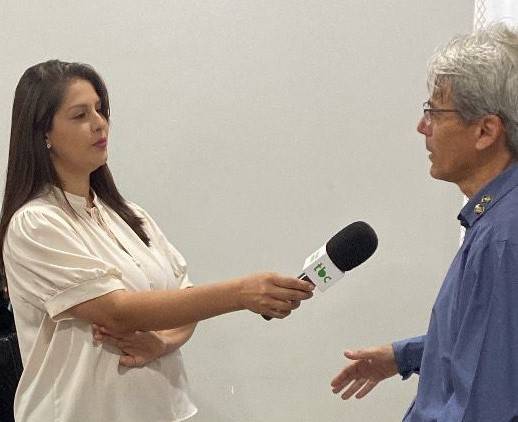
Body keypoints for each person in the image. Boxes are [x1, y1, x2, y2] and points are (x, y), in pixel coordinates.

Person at [0, 59, 315, 422]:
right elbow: (116, 312)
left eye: (100, 109)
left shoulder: (128, 215)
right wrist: (241, 293)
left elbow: (183, 298)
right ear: (44, 133)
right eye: (80, 115)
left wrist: (163, 342)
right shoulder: (36, 223)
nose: (99, 123)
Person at [331, 22, 518, 421]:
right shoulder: (497, 217)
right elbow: (491, 342)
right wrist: (408, 355)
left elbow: (486, 406)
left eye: (434, 112)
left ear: (486, 131)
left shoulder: (503, 238)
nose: (422, 127)